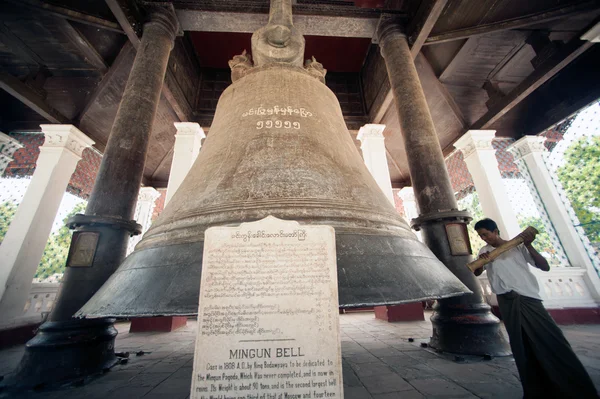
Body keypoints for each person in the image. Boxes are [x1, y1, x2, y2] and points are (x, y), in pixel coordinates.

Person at [473, 218, 598, 399]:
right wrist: (481, 261)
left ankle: (576, 389)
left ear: (495, 231)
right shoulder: (484, 251)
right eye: (480, 235)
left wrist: (529, 245)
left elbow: (543, 266)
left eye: (486, 234)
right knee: (521, 346)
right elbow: (477, 271)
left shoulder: (517, 246)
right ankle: (536, 389)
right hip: (506, 300)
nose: (484, 238)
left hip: (527, 298)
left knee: (552, 341)